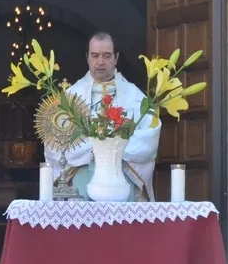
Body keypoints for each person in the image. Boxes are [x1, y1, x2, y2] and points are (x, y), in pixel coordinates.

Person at [44, 31, 160, 201]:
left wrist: (113, 148)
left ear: (116, 58)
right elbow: (53, 140)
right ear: (87, 58)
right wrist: (94, 146)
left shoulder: (134, 96)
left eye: (107, 56)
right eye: (95, 55)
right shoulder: (69, 97)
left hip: (121, 181)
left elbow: (150, 136)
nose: (100, 62)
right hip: (81, 180)